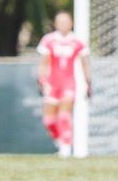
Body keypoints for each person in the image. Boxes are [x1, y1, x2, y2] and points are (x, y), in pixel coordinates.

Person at [37, 11, 91, 158]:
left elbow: (85, 64)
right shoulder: (48, 40)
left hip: (69, 84)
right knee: (49, 121)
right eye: (60, 22)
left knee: (64, 116)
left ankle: (65, 149)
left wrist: (88, 82)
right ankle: (60, 140)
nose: (63, 24)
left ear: (71, 23)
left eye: (66, 21)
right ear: (55, 24)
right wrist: (41, 80)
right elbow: (43, 63)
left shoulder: (78, 41)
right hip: (52, 84)